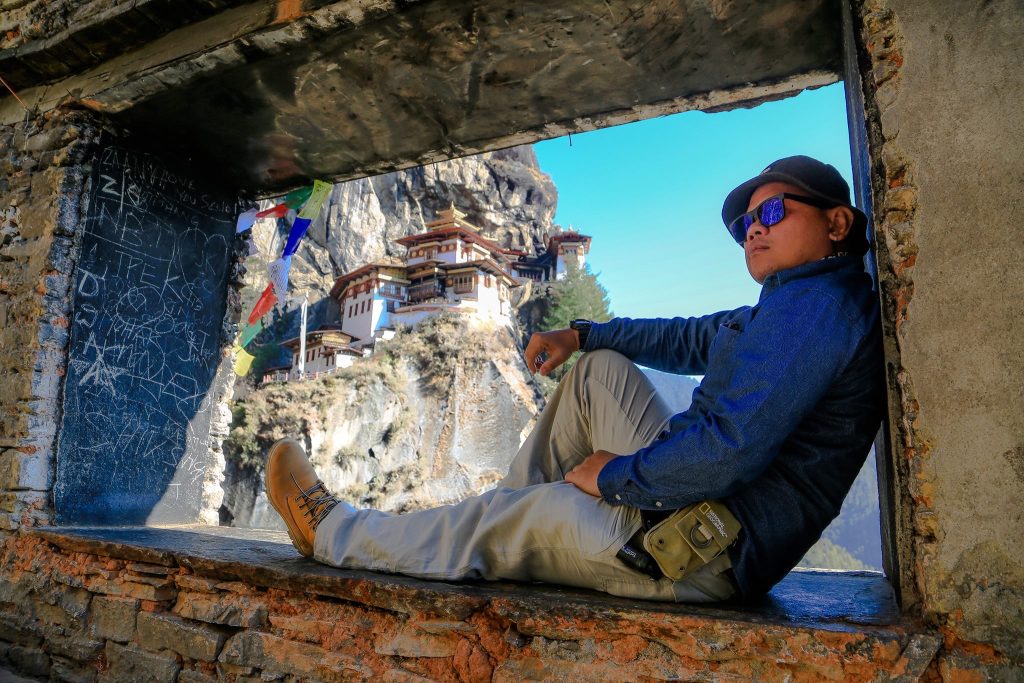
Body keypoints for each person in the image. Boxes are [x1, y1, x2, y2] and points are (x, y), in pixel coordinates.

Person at [264, 155, 884, 603]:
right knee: (597, 373)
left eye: (773, 211)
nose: (754, 228)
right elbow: (687, 336)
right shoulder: (795, 303)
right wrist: (584, 335)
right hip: (700, 508)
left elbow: (727, 450)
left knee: (524, 514)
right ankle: (500, 520)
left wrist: (615, 476)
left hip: (695, 551)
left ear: (836, 225)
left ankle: (336, 532)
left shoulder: (817, 310)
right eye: (744, 223)